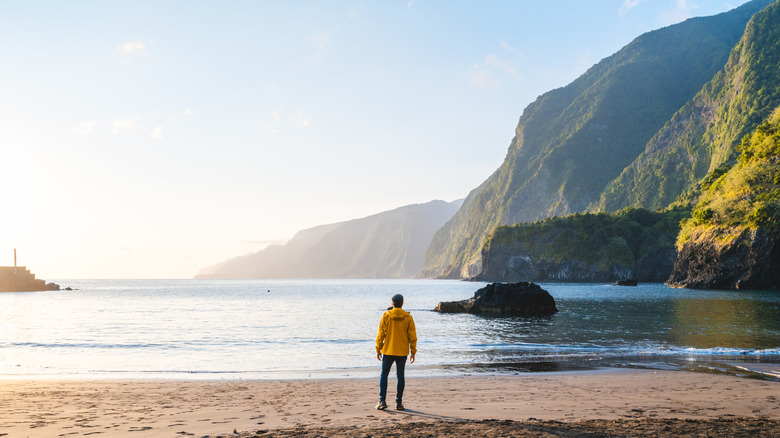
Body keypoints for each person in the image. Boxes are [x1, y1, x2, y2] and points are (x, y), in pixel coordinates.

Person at [375, 293, 417, 411]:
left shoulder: (386, 316)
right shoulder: (408, 317)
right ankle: (398, 403)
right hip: (402, 352)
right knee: (400, 376)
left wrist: (378, 348)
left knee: (384, 375)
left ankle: (382, 401)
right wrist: (413, 352)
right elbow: (412, 336)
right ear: (402, 303)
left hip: (388, 350)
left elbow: (380, 334)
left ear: (391, 303)